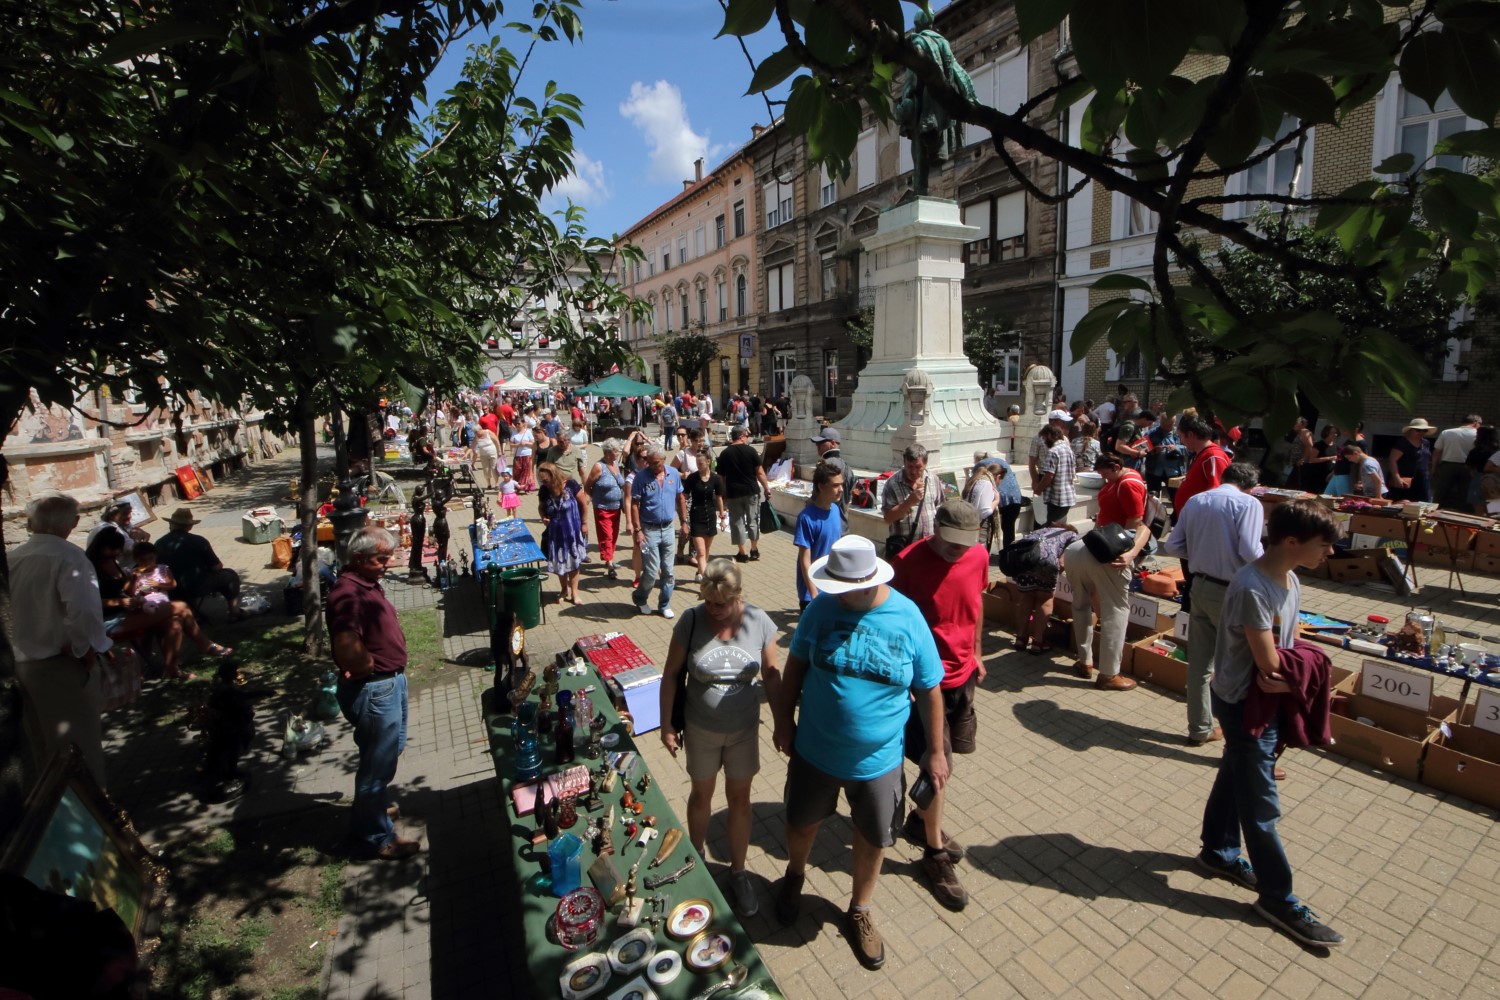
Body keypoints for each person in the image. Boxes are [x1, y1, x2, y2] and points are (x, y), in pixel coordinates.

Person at [769, 535, 947, 970]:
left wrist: (935, 751)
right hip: (815, 751)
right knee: (800, 823)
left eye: (843, 589)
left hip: (879, 761)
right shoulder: (820, 609)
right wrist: (783, 722)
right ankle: (794, 875)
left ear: (868, 583)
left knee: (871, 836)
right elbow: (795, 668)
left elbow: (929, 689)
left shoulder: (907, 617)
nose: (835, 595)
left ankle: (860, 908)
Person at [1197, 500, 1345, 948]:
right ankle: (1277, 897)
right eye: (1324, 544)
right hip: (1245, 704)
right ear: (1292, 541)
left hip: (1255, 700)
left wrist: (1293, 676)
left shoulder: (1291, 579)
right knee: (1261, 808)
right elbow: (1268, 663)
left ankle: (1218, 853)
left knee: (1235, 774)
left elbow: (1289, 647)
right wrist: (1294, 675)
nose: (1330, 553)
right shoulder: (1252, 588)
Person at [658, 560, 781, 918]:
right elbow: (670, 675)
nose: (713, 610)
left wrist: (783, 724)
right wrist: (666, 725)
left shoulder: (759, 621)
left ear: (738, 595)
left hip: (743, 731)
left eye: (721, 604)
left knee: (740, 800)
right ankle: (696, 862)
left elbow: (772, 676)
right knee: (701, 796)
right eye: (708, 602)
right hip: (700, 729)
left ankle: (738, 873)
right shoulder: (691, 621)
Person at [888, 500, 989, 912]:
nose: (958, 550)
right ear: (937, 530)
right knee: (936, 763)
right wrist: (904, 679)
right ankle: (933, 854)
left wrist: (978, 652)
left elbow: (975, 603)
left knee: (948, 761)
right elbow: (891, 623)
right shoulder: (906, 563)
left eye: (966, 543)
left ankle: (920, 819)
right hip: (924, 685)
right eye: (951, 542)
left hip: (963, 676)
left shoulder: (978, 556)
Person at [329, 526, 421, 861]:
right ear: (358, 558)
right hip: (376, 688)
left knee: (385, 755)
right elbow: (346, 645)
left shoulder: (363, 584)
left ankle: (372, 811)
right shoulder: (348, 595)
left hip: (387, 684)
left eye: (389, 557)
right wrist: (366, 665)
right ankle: (378, 838)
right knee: (376, 768)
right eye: (381, 559)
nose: (388, 563)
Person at [11, 494, 114, 787]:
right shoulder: (69, 557)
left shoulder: (12, 558)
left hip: (22, 665)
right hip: (61, 663)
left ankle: (58, 799)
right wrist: (86, 648)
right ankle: (91, 804)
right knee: (80, 745)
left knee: (44, 745)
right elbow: (82, 610)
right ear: (74, 522)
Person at [1163, 463, 1265, 747]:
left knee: (1200, 663)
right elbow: (1250, 549)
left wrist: (1201, 554)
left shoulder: (1196, 500)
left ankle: (1200, 728)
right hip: (1232, 590)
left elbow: (1172, 546)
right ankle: (1239, 741)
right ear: (1250, 485)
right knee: (1238, 666)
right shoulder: (1248, 503)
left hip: (1200, 585)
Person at [1063, 453, 1149, 690]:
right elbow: (1139, 525)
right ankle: (1109, 674)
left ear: (1117, 467)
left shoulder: (1127, 484)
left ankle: (1085, 661)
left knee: (1080, 605)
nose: (1103, 478)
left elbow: (1135, 520)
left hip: (1083, 549)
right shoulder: (1123, 482)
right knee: (1116, 612)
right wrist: (1129, 553)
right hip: (1103, 552)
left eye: (1105, 474)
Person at [894, 2, 976, 196]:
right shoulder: (943, 43)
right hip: (941, 103)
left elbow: (913, 78)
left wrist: (906, 98)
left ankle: (920, 188)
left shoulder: (918, 43)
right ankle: (922, 190)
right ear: (931, 24)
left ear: (917, 26)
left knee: (919, 150)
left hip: (923, 104)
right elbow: (954, 70)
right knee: (929, 145)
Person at [631, 443, 688, 618]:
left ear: (663, 459)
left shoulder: (674, 474)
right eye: (649, 462)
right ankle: (640, 598)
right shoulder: (641, 477)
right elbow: (634, 504)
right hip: (649, 531)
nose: (652, 466)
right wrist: (638, 530)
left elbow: (680, 498)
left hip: (669, 529)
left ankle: (664, 604)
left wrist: (684, 522)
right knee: (650, 571)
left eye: (656, 463)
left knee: (668, 571)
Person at [155, 507, 243, 621]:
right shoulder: (198, 541)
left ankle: (192, 612)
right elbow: (217, 566)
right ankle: (234, 611)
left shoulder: (159, 543)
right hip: (196, 586)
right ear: (190, 526)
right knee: (230, 575)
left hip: (170, 589)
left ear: (171, 524)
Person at [1008, 523, 1078, 655]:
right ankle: (1038, 642)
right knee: (1045, 599)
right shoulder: (1072, 535)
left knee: (1027, 596)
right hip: (1046, 562)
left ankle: (1020, 639)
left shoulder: (1043, 530)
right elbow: (1062, 562)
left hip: (1023, 560)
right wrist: (1054, 577)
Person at [793, 462, 845, 611]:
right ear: (821, 487)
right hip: (812, 592)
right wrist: (813, 593)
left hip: (832, 586)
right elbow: (805, 559)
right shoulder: (806, 518)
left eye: (841, 484)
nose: (841, 489)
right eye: (835, 485)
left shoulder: (835, 510)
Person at [536, 462, 590, 604]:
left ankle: (575, 593)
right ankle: (564, 590)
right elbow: (541, 507)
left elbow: (583, 504)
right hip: (555, 534)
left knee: (574, 563)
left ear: (554, 476)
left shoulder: (571, 485)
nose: (544, 483)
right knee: (560, 563)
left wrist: (585, 523)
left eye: (546, 480)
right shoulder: (544, 490)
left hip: (572, 532)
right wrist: (543, 517)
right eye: (542, 481)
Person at [717, 426, 771, 564]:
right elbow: (760, 472)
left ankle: (743, 552)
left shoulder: (725, 453)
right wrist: (766, 488)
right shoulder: (751, 451)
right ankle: (754, 549)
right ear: (741, 436)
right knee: (753, 520)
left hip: (733, 492)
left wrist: (721, 493)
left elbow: (721, 477)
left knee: (737, 522)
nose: (747, 438)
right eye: (746, 435)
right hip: (751, 491)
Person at [881, 444, 943, 550]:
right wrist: (909, 502)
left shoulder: (933, 480)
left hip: (930, 546)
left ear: (925, 464)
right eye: (909, 466)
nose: (913, 471)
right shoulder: (892, 484)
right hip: (904, 548)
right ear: (904, 462)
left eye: (918, 467)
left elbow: (940, 508)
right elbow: (888, 518)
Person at [585, 440, 627, 578]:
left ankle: (610, 557)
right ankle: (609, 564)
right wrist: (588, 499)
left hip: (616, 507)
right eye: (616, 451)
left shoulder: (615, 464)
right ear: (608, 452)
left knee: (613, 535)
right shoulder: (598, 467)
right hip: (602, 508)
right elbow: (588, 485)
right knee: (606, 536)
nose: (618, 453)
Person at [684, 451, 726, 584]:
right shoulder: (692, 478)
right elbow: (683, 497)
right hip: (696, 517)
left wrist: (722, 516)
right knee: (701, 552)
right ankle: (706, 582)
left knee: (706, 550)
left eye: (701, 463)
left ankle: (700, 572)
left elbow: (719, 498)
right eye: (697, 463)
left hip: (710, 517)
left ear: (708, 462)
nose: (698, 466)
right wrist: (684, 517)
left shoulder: (716, 479)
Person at [1432, 413, 1483, 509]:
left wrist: (1433, 468)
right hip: (1468, 468)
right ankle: (1463, 513)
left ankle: (1437, 511)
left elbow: (1436, 453)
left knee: (1441, 493)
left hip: (1447, 466)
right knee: (1465, 494)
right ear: (1476, 423)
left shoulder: (1446, 432)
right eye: (1480, 424)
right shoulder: (1478, 435)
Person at [1035, 424, 1076, 526]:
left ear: (1049, 435)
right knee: (1060, 526)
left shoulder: (1053, 451)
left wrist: (1038, 490)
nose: (1044, 441)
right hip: (1068, 495)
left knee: (1053, 528)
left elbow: (1049, 475)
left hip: (1057, 498)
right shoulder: (1068, 449)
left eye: (1044, 438)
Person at [1387, 418, 1435, 502]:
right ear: (1410, 430)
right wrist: (1397, 478)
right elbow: (1392, 460)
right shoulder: (1402, 443)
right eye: (1418, 430)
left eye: (1424, 430)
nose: (1421, 433)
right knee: (1401, 504)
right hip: (1404, 480)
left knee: (1424, 504)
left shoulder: (1426, 443)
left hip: (1422, 480)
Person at [1028, 408, 1072, 487]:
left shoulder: (1065, 439)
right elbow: (1032, 462)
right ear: (1053, 422)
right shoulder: (1038, 439)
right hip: (1044, 476)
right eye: (1062, 422)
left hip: (1061, 477)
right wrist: (1035, 481)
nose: (1064, 425)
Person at [1146, 413, 1189, 493]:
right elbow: (1142, 449)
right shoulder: (1151, 434)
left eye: (1169, 425)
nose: (1166, 428)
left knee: (1176, 496)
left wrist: (1176, 448)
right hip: (1154, 470)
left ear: (1174, 423)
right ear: (1160, 422)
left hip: (1174, 471)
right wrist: (1154, 450)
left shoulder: (1181, 434)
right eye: (1164, 425)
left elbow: (1190, 450)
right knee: (1153, 497)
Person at [811, 428, 850, 511]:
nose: (817, 445)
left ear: (832, 443)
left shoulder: (824, 465)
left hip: (824, 514)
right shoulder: (847, 466)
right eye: (817, 443)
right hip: (841, 516)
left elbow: (816, 495)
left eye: (821, 442)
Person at [1464, 425, 1500, 513]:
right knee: (1494, 511)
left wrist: (1473, 475)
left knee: (1479, 510)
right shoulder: (1496, 451)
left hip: (1478, 479)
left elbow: (1468, 466)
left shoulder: (1475, 451)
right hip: (1496, 481)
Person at [472, 422, 501, 491]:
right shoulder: (477, 437)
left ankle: (497, 484)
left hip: (492, 453)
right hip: (483, 455)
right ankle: (488, 484)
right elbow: (472, 446)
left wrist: (499, 451)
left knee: (494, 468)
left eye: (476, 432)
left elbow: (496, 441)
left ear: (480, 429)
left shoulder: (488, 432)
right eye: (475, 433)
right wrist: (465, 454)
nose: (476, 434)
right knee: (486, 470)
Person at [510, 420, 536, 493]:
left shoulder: (528, 432)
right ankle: (517, 487)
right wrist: (518, 445)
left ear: (523, 424)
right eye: (516, 423)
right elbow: (511, 445)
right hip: (518, 454)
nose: (517, 425)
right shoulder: (514, 432)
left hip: (527, 454)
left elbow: (533, 443)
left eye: (519, 423)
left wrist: (526, 443)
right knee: (517, 470)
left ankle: (526, 488)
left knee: (526, 471)